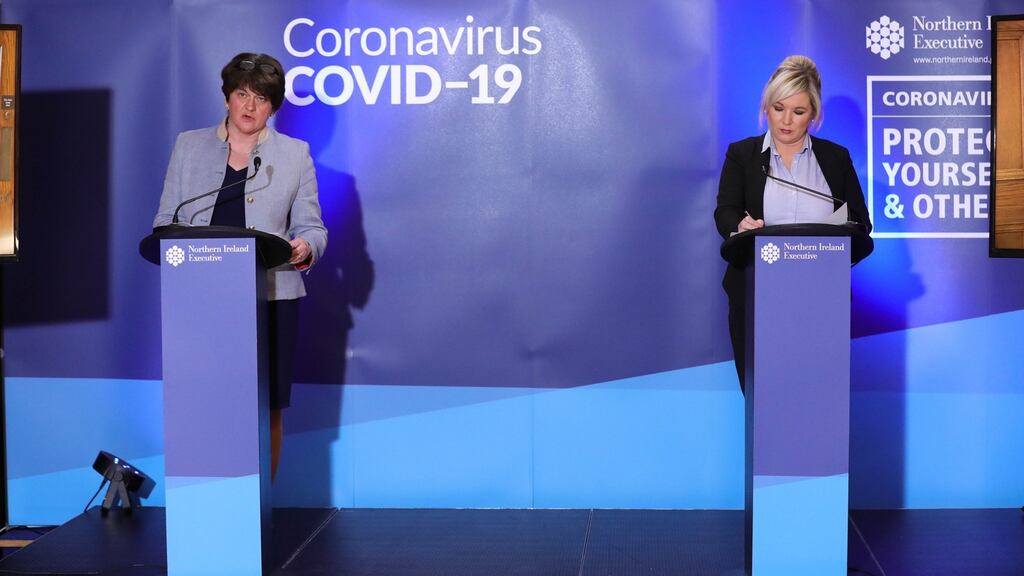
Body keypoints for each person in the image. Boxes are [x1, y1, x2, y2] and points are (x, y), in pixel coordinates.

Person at [153, 52, 328, 478]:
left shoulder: (294, 154)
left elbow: (312, 227)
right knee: (201, 400)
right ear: (227, 98)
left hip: (269, 299)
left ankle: (258, 509)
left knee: (264, 404)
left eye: (262, 99)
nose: (250, 107)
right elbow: (164, 222)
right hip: (199, 300)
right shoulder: (188, 145)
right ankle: (202, 498)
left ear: (274, 106)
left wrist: (305, 246)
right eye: (242, 95)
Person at [714, 55, 870, 394]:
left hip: (820, 296)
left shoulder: (835, 158)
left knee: (817, 397)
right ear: (766, 107)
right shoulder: (742, 154)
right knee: (764, 397)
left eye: (798, 112)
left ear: (813, 114)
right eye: (778, 108)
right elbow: (724, 210)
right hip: (756, 293)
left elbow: (860, 222)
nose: (786, 121)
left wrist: (842, 237)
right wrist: (740, 224)